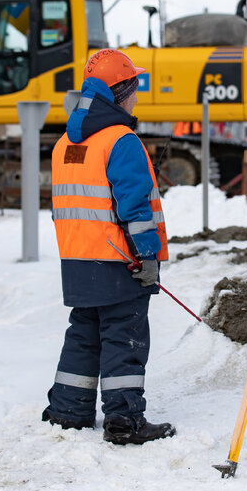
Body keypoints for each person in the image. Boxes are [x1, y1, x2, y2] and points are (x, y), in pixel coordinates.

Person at [42, 48, 176, 445]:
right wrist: (147, 255)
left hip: (77, 259)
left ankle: (69, 410)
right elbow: (134, 207)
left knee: (85, 331)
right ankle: (124, 419)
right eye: (133, 88)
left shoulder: (66, 143)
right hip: (120, 259)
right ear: (121, 91)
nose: (137, 96)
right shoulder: (121, 141)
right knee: (124, 334)